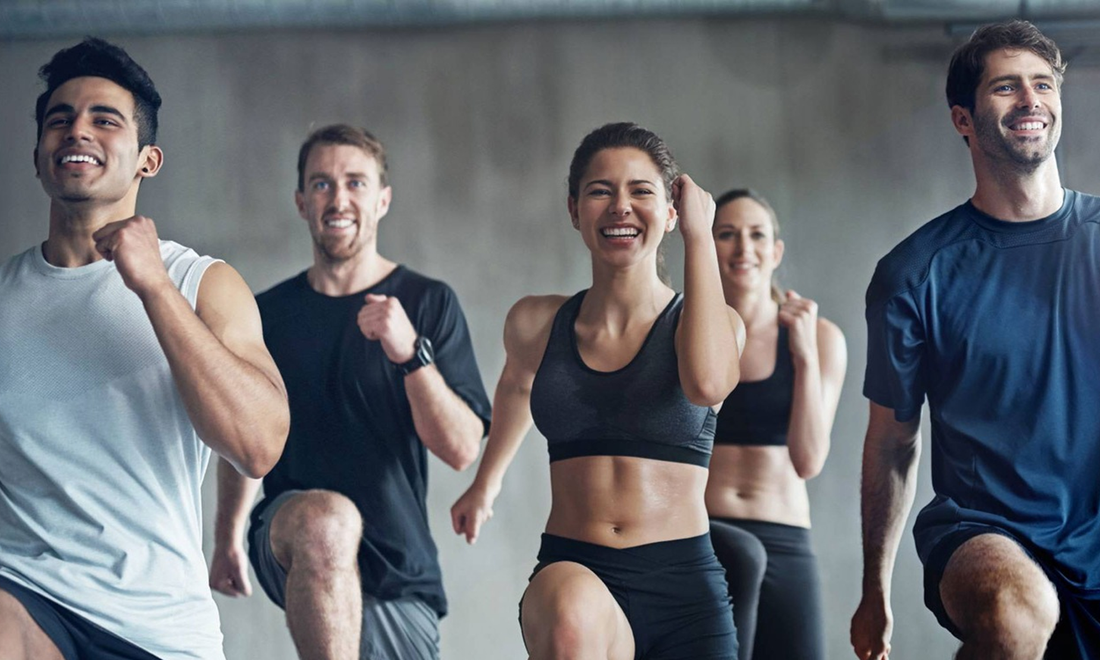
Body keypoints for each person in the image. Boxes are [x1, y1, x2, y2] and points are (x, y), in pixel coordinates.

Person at [0, 37, 289, 660]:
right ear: (39, 156)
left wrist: (153, 286)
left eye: (105, 120)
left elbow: (258, 446)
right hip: (24, 594)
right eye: (61, 119)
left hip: (153, 626)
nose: (78, 129)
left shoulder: (203, 283)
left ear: (146, 160)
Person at [850, 19, 1100, 660]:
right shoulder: (914, 273)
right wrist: (874, 589)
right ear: (963, 119)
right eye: (1007, 87)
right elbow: (893, 442)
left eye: (1043, 84)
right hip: (982, 526)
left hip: (1093, 523)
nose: (1030, 101)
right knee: (1016, 619)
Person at [451, 122, 744, 660]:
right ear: (574, 210)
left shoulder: (711, 324)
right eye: (600, 191)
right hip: (574, 572)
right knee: (571, 617)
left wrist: (701, 236)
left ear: (673, 212)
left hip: (684, 587)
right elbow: (517, 386)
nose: (620, 207)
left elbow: (707, 385)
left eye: (641, 191)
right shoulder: (535, 322)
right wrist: (485, 484)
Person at [209, 124, 492, 660]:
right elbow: (243, 436)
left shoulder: (427, 302)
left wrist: (410, 353)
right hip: (290, 533)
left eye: (355, 183)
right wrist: (227, 537)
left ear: (382, 200)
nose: (338, 198)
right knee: (323, 524)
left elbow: (460, 449)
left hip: (395, 570)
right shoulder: (266, 314)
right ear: (300, 202)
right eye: (321, 184)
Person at [705, 189, 847, 660]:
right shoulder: (683, 334)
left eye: (756, 235)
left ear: (776, 250)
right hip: (705, 535)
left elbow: (807, 460)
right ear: (708, 247)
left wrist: (803, 358)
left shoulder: (820, 337)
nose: (743, 249)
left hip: (784, 536)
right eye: (726, 235)